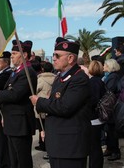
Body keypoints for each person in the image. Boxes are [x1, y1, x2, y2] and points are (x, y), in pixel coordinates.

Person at [30, 37, 91, 168]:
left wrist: (39, 101)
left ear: (70, 58)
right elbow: (54, 103)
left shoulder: (79, 79)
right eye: (53, 55)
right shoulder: (60, 77)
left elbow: (65, 107)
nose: (53, 58)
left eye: (57, 55)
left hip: (70, 146)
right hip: (57, 142)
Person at [0, 40, 37, 168]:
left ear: (24, 55)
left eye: (15, 53)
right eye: (12, 53)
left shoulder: (27, 72)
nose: (12, 56)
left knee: (22, 159)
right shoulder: (16, 71)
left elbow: (16, 94)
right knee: (13, 158)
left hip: (20, 123)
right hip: (12, 121)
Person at [32, 60, 55, 160]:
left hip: (41, 106)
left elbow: (34, 90)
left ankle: (44, 145)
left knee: (42, 128)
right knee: (50, 129)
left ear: (43, 69)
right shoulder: (56, 78)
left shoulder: (40, 79)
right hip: (51, 106)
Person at [102, 58, 121, 161]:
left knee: (112, 130)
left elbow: (109, 91)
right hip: (110, 107)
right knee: (109, 130)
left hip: (112, 107)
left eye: (105, 65)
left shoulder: (112, 77)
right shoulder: (110, 76)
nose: (103, 66)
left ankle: (115, 151)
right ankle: (110, 149)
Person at [88, 60, 106, 168]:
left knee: (94, 147)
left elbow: (93, 100)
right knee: (96, 146)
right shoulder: (101, 81)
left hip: (93, 118)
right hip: (99, 117)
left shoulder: (92, 82)